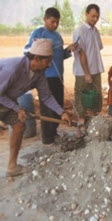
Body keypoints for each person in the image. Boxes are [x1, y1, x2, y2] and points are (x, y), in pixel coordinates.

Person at [0, 39, 71, 177]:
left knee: (19, 125)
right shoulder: (14, 68)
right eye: (47, 61)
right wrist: (16, 108)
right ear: (37, 58)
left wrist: (61, 112)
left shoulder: (39, 74)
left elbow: (46, 96)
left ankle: (12, 167)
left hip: (7, 100)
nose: (49, 64)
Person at [24, 7, 76, 146]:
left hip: (58, 76)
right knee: (47, 107)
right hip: (45, 76)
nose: (55, 25)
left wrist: (68, 50)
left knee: (58, 104)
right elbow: (27, 52)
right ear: (45, 19)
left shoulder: (58, 36)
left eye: (57, 22)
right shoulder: (38, 33)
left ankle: (53, 132)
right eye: (52, 22)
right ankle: (47, 138)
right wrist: (43, 49)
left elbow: (60, 56)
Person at [73, 3, 104, 123]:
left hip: (96, 70)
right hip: (83, 72)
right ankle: (81, 123)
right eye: (93, 16)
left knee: (95, 98)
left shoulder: (96, 31)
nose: (95, 19)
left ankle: (93, 123)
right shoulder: (80, 31)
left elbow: (97, 49)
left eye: (97, 16)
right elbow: (81, 53)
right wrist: (87, 73)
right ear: (86, 14)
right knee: (81, 99)